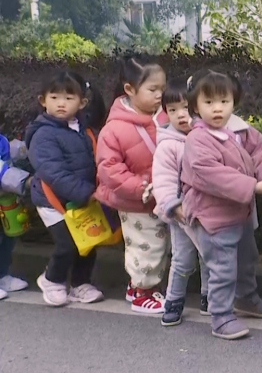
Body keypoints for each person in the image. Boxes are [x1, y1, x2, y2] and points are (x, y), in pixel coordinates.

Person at [181, 70, 262, 340]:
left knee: (246, 259)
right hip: (213, 217)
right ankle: (220, 316)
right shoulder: (198, 138)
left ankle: (246, 298)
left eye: (224, 101)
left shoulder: (239, 130)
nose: (218, 108)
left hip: (240, 212)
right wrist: (252, 186)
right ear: (195, 106)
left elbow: (260, 153)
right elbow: (209, 173)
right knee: (222, 268)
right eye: (209, 102)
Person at [96, 55, 170, 314]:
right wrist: (141, 188)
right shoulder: (114, 129)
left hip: (161, 196)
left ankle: (136, 285)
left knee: (159, 243)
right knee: (146, 245)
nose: (160, 95)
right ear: (129, 89)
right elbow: (110, 170)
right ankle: (142, 292)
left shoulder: (165, 116)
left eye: (162, 89)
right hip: (135, 201)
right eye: (152, 89)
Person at [26, 71, 108, 307]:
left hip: (80, 198)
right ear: (43, 100)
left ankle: (80, 283)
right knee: (67, 244)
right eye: (54, 98)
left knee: (88, 240)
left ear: (82, 102)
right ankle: (52, 279)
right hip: (51, 199)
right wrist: (87, 192)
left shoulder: (83, 129)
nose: (61, 103)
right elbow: (54, 173)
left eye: (69, 98)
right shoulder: (43, 134)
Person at [152, 78, 210, 326]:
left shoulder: (206, 136)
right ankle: (174, 301)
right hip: (181, 215)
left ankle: (209, 297)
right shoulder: (168, 145)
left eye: (185, 108)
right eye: (172, 110)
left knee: (209, 256)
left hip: (206, 212)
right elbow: (162, 180)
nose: (180, 115)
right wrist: (173, 206)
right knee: (183, 260)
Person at [0, 133, 32, 300]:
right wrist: (25, 181)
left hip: (5, 197)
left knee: (8, 237)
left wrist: (26, 148)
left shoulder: (2, 140)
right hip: (7, 187)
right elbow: (2, 170)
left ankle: (2, 275)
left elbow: (10, 154)